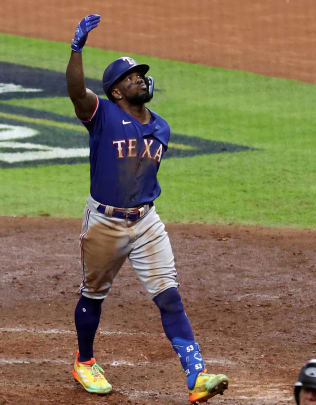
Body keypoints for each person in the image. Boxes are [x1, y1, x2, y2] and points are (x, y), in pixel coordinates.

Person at [65, 14, 229, 403]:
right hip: (104, 221)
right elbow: (76, 93)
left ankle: (196, 375)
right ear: (116, 92)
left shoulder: (162, 128)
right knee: (93, 294)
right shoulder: (102, 114)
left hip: (147, 222)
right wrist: (76, 50)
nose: (138, 78)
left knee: (169, 295)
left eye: (140, 74)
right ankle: (84, 361)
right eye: (129, 77)